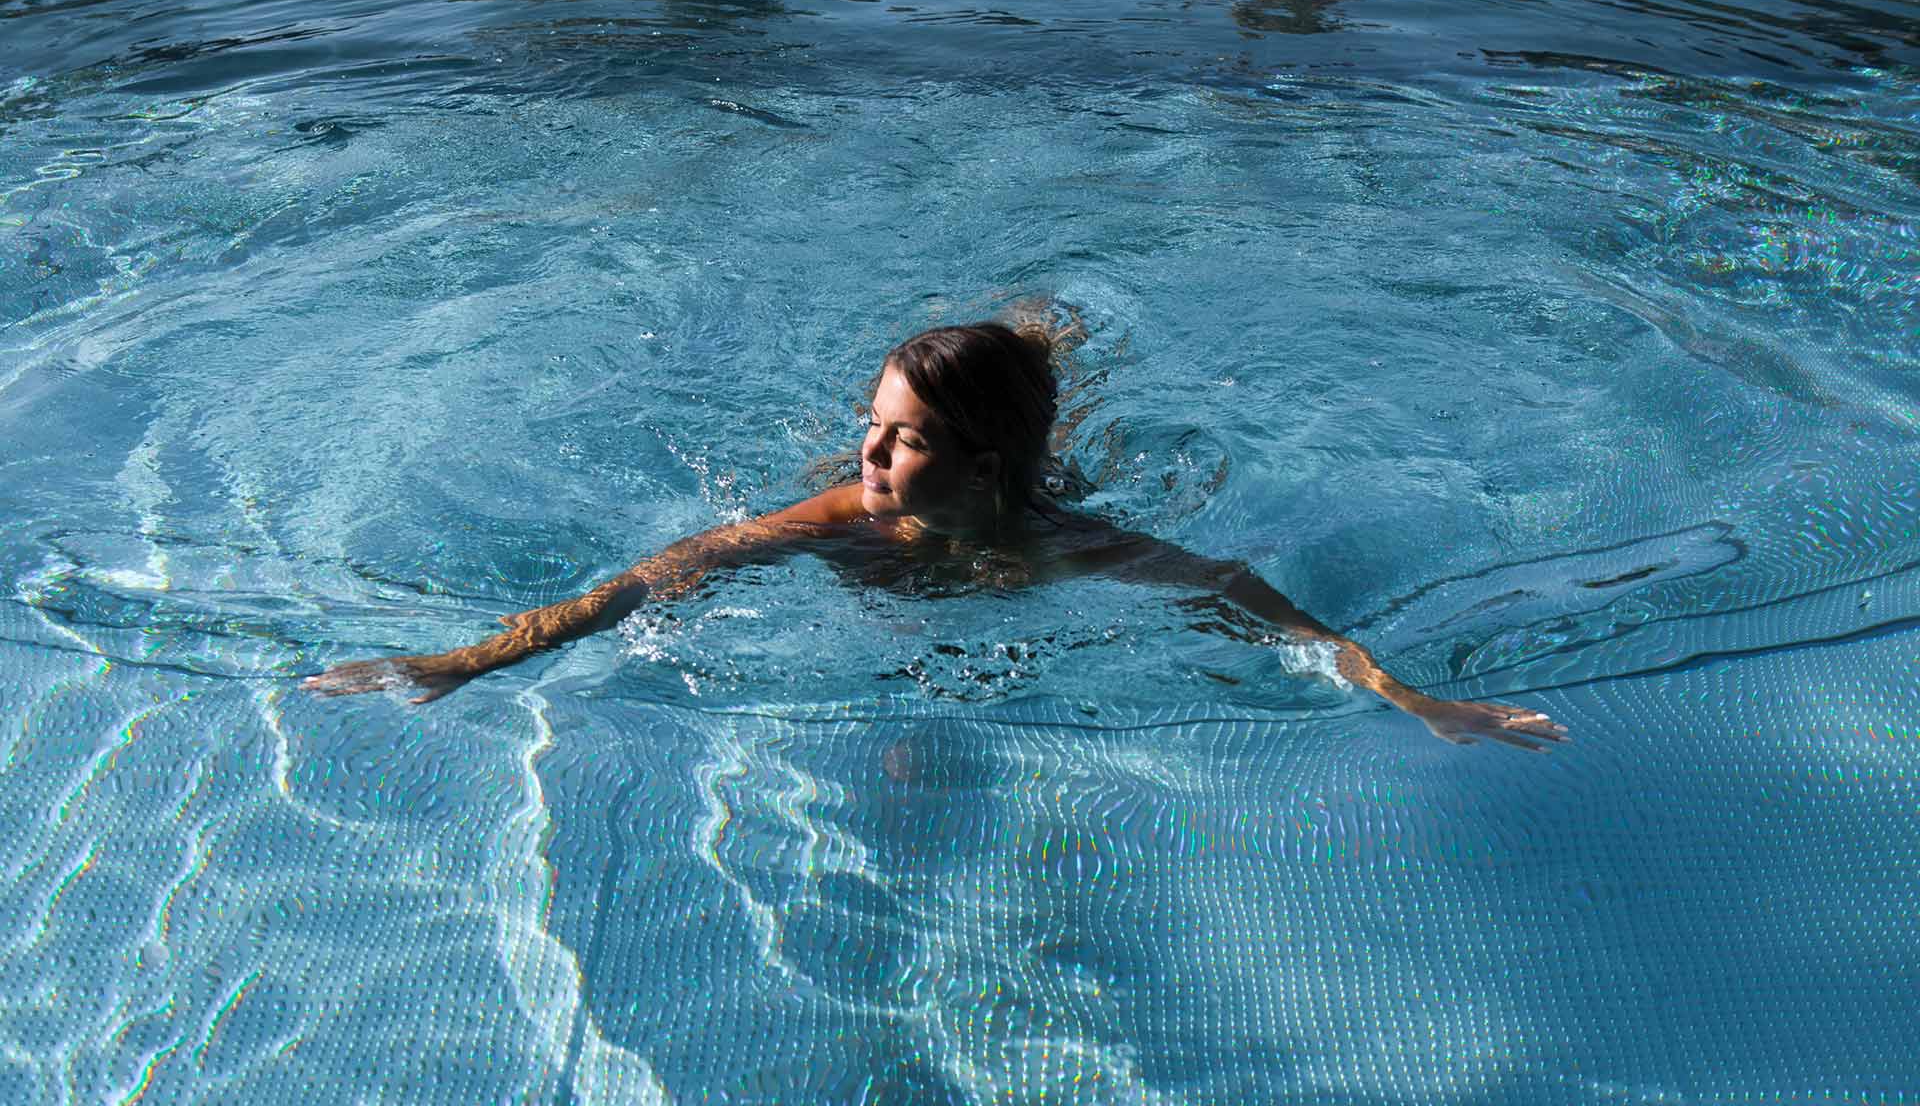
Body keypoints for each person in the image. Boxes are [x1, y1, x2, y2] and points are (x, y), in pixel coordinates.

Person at [304, 319, 1567, 751]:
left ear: (982, 462)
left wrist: (1415, 700)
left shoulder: (1072, 545)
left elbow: (1263, 606)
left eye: (900, 438)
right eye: (869, 424)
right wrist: (459, 663)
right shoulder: (839, 524)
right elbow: (640, 586)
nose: (867, 455)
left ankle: (1043, 344)